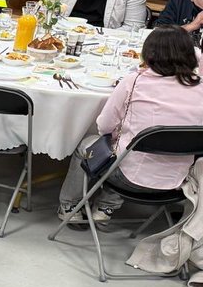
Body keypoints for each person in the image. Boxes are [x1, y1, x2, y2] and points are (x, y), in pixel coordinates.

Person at [58, 26, 203, 226]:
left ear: (148, 53)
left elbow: (104, 126)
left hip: (128, 179)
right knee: (127, 147)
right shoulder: (200, 88)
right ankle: (104, 208)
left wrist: (119, 133)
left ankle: (69, 207)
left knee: (91, 145)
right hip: (177, 184)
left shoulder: (134, 82)